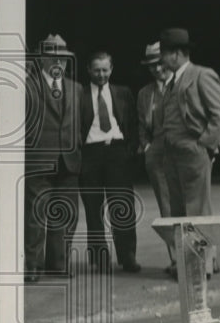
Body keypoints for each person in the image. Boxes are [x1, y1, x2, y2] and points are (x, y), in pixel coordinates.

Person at [157, 28, 220, 276]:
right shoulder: (172, 80)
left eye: (164, 53)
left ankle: (204, 265)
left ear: (176, 54)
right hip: (173, 155)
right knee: (180, 213)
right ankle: (191, 264)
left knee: (197, 211)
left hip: (193, 152)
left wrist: (203, 144)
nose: (161, 59)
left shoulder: (201, 75)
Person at [24, 34, 83, 282]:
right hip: (38, 161)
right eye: (54, 57)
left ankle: (58, 263)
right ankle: (33, 265)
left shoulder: (75, 88)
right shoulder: (28, 86)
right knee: (36, 214)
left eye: (64, 58)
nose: (60, 61)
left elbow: (81, 122)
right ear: (44, 59)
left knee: (65, 213)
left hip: (69, 161)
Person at [79, 51, 140, 272]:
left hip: (117, 151)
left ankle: (128, 256)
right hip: (90, 153)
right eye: (97, 70)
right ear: (89, 70)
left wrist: (130, 149)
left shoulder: (123, 93)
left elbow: (133, 123)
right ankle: (99, 258)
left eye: (105, 70)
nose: (101, 74)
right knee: (93, 208)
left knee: (123, 207)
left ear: (111, 69)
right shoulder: (80, 94)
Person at [136, 41, 176, 274]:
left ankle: (206, 259)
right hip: (158, 157)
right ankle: (176, 260)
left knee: (193, 207)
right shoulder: (145, 94)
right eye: (151, 66)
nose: (157, 69)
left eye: (159, 63)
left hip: (182, 154)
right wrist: (147, 146)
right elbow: (142, 126)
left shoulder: (182, 84)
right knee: (167, 209)